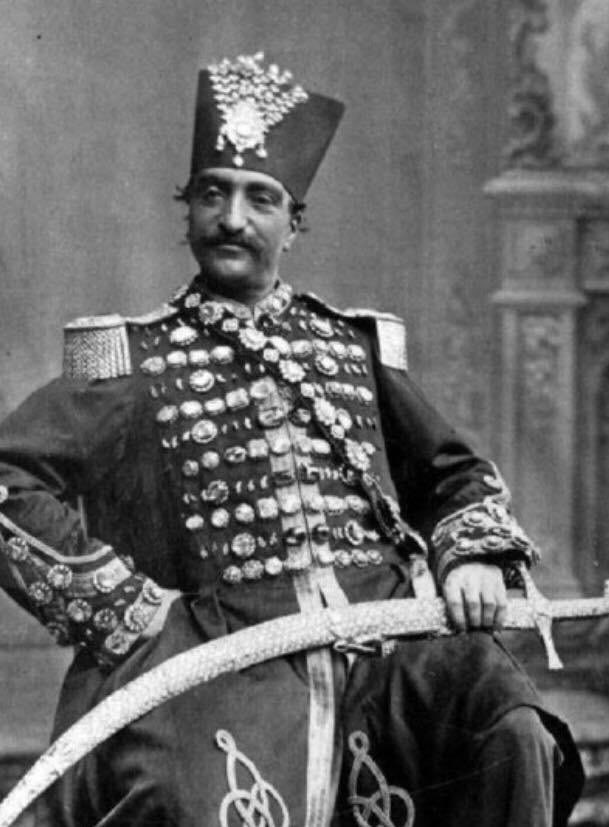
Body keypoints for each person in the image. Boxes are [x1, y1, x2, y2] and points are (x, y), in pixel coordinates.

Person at [0, 52, 583, 827]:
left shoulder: (352, 347)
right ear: (187, 211)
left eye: (260, 198)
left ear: (293, 224)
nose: (231, 218)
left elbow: (454, 472)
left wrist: (469, 555)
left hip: (388, 641)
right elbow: (8, 480)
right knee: (191, 802)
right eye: (212, 193)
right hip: (219, 653)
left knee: (511, 732)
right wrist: (120, 604)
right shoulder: (133, 361)